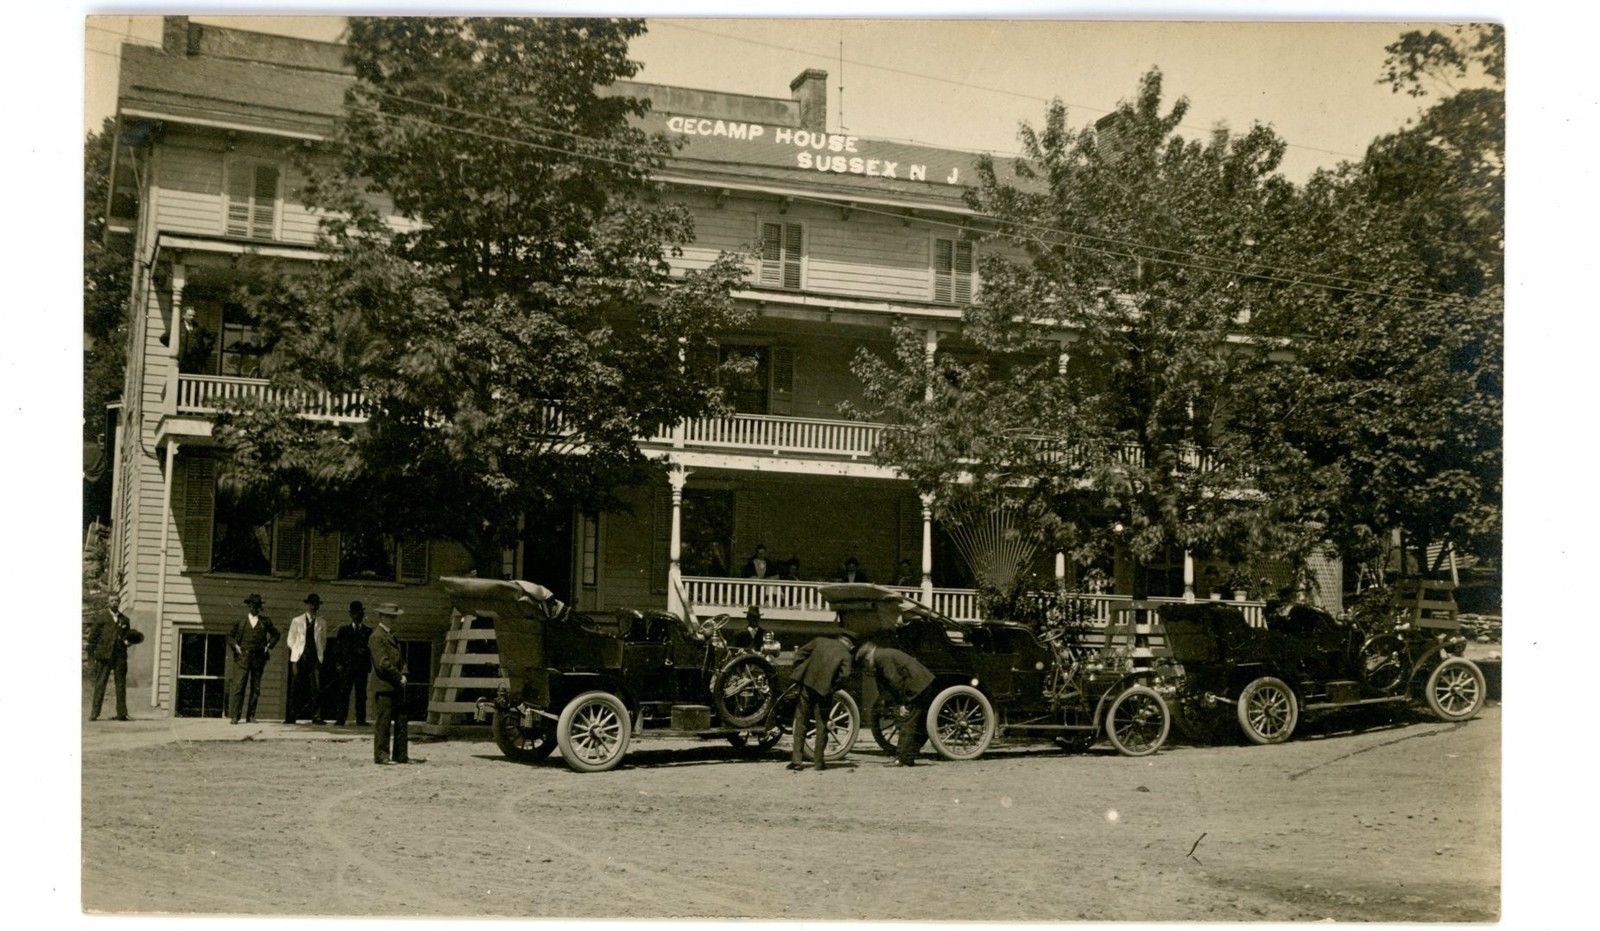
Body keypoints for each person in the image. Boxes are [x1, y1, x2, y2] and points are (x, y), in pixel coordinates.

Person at [857, 642, 935, 766]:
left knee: (906, 720)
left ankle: (902, 758)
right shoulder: (882, 655)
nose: (867, 668)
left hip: (916, 687)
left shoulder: (881, 657)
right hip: (922, 684)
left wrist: (902, 703)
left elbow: (894, 680)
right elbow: (885, 684)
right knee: (918, 721)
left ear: (867, 658)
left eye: (865, 664)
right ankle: (909, 755)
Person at [786, 632, 855, 772]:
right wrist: (832, 687)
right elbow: (845, 676)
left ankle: (797, 761)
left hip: (807, 685)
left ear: (840, 638)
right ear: (850, 645)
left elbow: (799, 655)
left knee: (800, 721)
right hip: (824, 692)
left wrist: (802, 671)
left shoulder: (819, 641)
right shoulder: (846, 655)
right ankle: (818, 762)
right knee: (822, 725)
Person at [369, 603, 421, 764]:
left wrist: (404, 673)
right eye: (389, 616)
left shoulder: (391, 636)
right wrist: (399, 677)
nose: (393, 619)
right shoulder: (376, 636)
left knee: (401, 721)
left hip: (396, 686)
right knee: (383, 723)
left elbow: (400, 660)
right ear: (381, 616)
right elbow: (382, 664)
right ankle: (382, 756)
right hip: (384, 686)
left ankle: (401, 755)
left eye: (394, 616)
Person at [87, 595, 143, 721]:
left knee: (121, 685)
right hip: (104, 656)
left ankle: (122, 714)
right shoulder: (101, 618)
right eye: (112, 600)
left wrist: (128, 642)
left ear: (119, 602)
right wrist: (93, 655)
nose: (114, 602)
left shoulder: (125, 620)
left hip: (119, 657)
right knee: (100, 684)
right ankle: (94, 713)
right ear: (108, 602)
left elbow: (127, 637)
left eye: (116, 600)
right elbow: (92, 638)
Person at [227, 593, 279, 724]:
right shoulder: (241, 621)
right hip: (243, 658)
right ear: (249, 606)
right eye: (252, 605)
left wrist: (269, 645)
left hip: (259, 658)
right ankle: (235, 716)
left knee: (256, 688)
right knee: (239, 686)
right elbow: (229, 636)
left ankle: (250, 716)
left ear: (259, 607)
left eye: (257, 606)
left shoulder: (265, 622)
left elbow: (276, 634)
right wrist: (236, 646)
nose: (254, 608)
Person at [285, 593, 328, 724]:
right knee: (295, 686)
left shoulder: (322, 622)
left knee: (316, 687)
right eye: (311, 604)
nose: (313, 607)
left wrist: (319, 653)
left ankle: (317, 716)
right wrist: (297, 650)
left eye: (316, 605)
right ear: (308, 605)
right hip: (299, 657)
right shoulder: (297, 621)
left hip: (314, 657)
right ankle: (291, 716)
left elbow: (323, 641)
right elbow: (290, 640)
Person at [330, 601, 373, 726]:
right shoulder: (343, 631)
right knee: (343, 693)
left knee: (361, 694)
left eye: (359, 612)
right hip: (346, 667)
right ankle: (340, 719)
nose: (357, 615)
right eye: (354, 613)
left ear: (362, 614)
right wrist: (338, 664)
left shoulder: (367, 631)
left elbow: (370, 650)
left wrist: (367, 664)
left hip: (361, 668)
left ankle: (361, 720)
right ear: (350, 614)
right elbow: (337, 649)